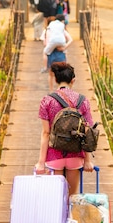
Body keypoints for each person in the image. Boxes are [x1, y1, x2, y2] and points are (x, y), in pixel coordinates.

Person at [35, 62, 95, 194]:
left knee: (56, 199)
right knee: (71, 197)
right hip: (76, 156)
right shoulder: (83, 101)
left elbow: (46, 133)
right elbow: (87, 131)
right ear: (73, 80)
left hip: (54, 155)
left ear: (55, 79)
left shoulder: (47, 100)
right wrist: (87, 161)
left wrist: (41, 163)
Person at [40, 14, 73, 92]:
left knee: (51, 74)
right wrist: (64, 48)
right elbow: (70, 39)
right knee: (62, 74)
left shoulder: (47, 30)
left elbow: (44, 43)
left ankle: (51, 91)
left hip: (50, 54)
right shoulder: (62, 30)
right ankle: (63, 91)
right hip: (61, 53)